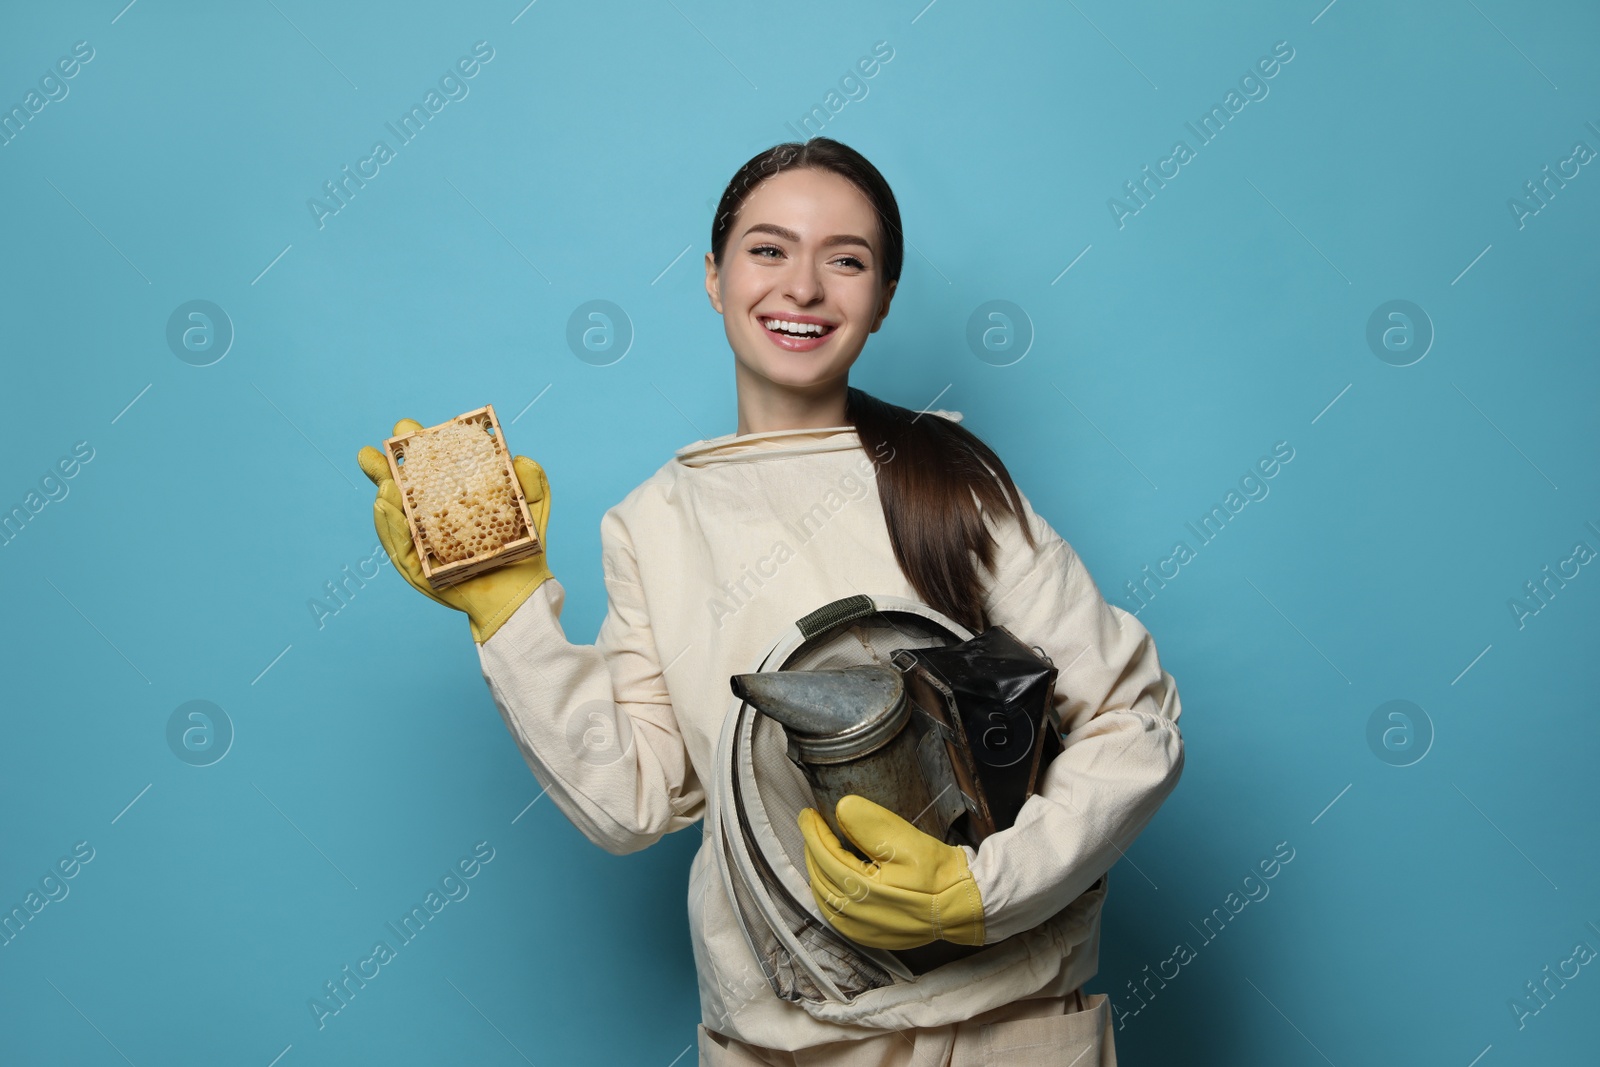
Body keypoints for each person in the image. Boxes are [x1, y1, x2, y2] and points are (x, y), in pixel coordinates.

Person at [357, 137, 1184, 1066]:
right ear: (713, 277)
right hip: (779, 1046)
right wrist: (506, 607)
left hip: (1006, 1036)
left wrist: (978, 889)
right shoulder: (652, 523)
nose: (803, 285)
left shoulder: (955, 484)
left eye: (846, 259)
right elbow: (632, 798)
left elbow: (1132, 720)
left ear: (882, 300)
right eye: (767, 249)